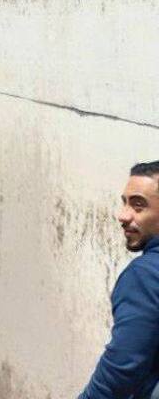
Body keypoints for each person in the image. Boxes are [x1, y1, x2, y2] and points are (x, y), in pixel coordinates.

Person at [80, 161, 159, 399]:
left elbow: (120, 369)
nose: (122, 215)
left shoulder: (146, 275)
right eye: (124, 202)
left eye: (138, 205)